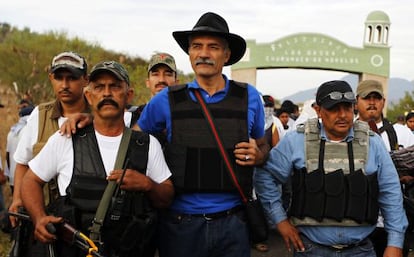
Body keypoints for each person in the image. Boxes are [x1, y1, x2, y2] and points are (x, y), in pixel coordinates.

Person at [136, 12, 269, 257]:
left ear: (227, 55)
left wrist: (257, 155)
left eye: (213, 47)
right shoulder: (167, 99)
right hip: (180, 225)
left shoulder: (249, 97)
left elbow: (263, 145)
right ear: (189, 53)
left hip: (233, 224)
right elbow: (133, 142)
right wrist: (89, 122)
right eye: (197, 46)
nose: (204, 53)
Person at [21, 61, 174, 257]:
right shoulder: (66, 138)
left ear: (129, 95)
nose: (107, 93)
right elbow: (30, 180)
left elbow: (166, 197)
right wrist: (39, 218)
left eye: (115, 86)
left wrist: (148, 185)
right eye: (99, 87)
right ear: (89, 96)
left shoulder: (147, 144)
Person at [254, 80, 408, 257]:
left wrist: (395, 242)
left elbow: (390, 192)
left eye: (347, 108)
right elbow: (265, 175)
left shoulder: (373, 142)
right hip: (311, 249)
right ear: (318, 110)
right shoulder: (297, 140)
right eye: (334, 108)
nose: (342, 115)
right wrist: (280, 221)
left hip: (360, 250)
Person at [10, 51, 90, 229]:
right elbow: (22, 163)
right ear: (50, 78)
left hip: (86, 218)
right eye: (59, 77)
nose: (64, 85)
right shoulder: (39, 115)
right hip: (43, 213)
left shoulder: (99, 115)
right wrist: (17, 199)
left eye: (72, 78)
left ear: (86, 80)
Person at [356, 79, 414, 256]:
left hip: (392, 220)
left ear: (383, 101)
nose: (372, 102)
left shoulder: (402, 132)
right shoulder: (345, 131)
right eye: (367, 98)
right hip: (356, 220)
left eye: (376, 97)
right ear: (357, 101)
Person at [127, 52, 178, 127]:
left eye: (168, 74)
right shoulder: (132, 117)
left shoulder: (185, 116)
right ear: (147, 82)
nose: (161, 80)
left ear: (176, 83)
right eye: (155, 74)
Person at [6, 104, 35, 193]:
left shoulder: (12, 131)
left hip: (13, 176)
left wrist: (10, 173)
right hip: (26, 177)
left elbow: (7, 155)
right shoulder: (29, 130)